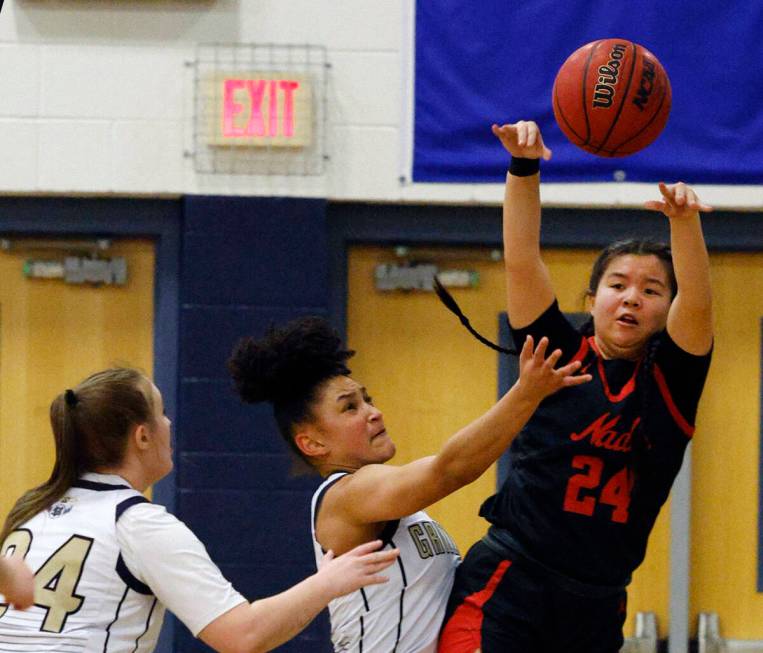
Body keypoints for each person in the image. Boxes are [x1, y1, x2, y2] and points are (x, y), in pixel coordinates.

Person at [437, 120, 714, 653]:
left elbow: (699, 305)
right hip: (511, 580)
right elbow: (521, 263)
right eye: (617, 285)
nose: (631, 298)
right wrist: (524, 168)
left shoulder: (671, 383)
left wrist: (684, 224)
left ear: (666, 311)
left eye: (651, 290)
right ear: (592, 301)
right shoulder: (558, 355)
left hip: (596, 601)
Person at [228, 314, 591, 653]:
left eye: (366, 399)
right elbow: (450, 471)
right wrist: (526, 392)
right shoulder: (347, 495)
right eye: (350, 408)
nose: (373, 412)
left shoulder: (394, 506)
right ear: (313, 443)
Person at [0, 367, 400, 653]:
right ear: (142, 436)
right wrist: (328, 582)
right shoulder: (135, 522)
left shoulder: (31, 509)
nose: (168, 422)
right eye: (160, 412)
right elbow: (243, 637)